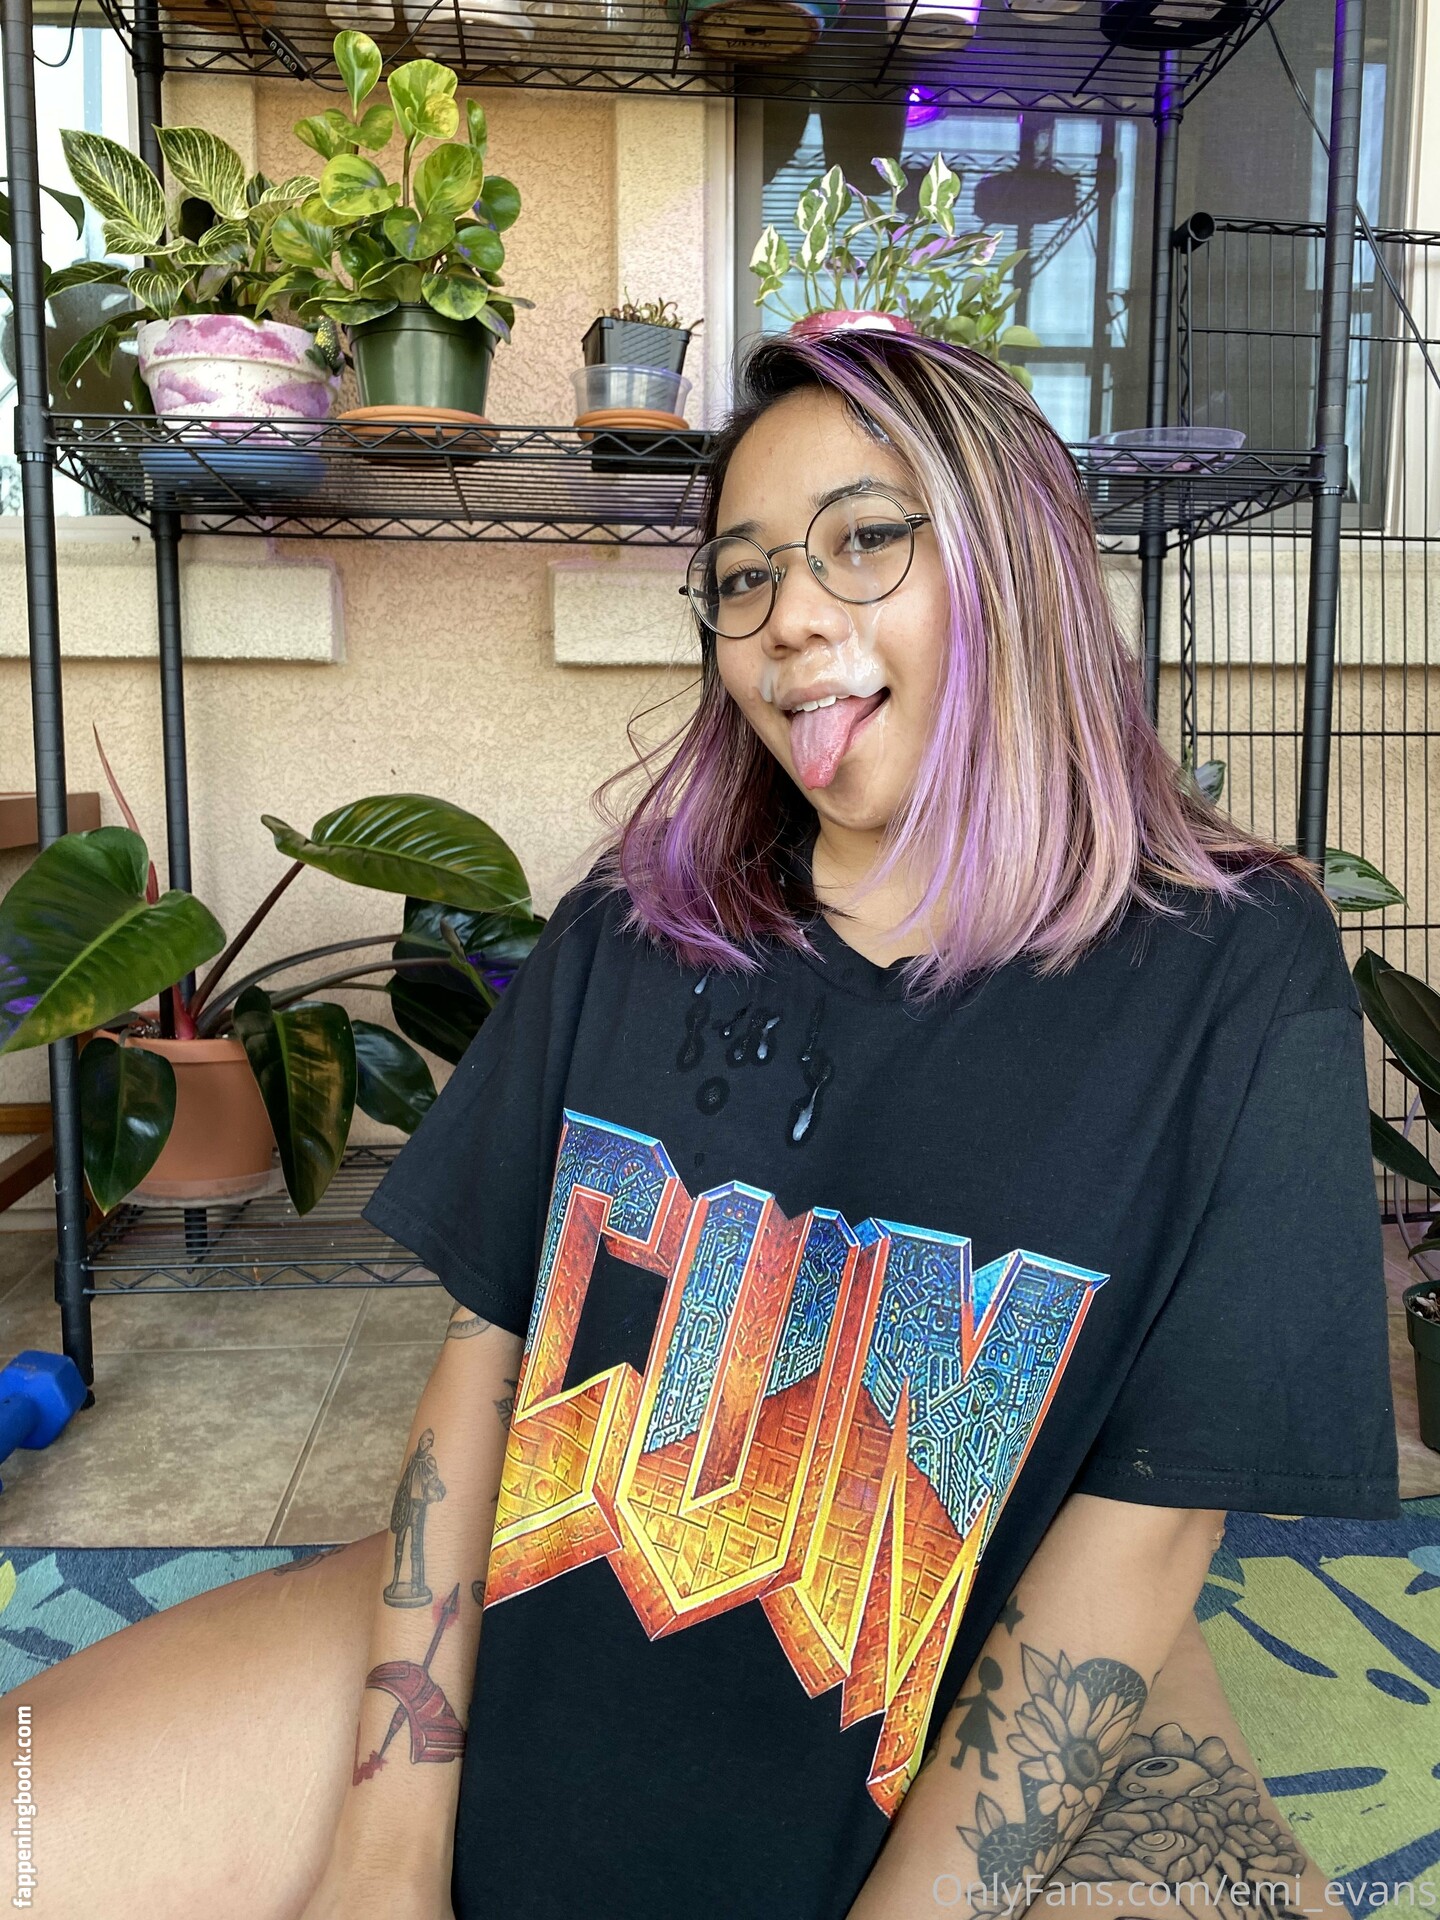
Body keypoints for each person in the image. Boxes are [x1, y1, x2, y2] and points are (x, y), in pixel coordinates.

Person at [5, 330, 1399, 1920]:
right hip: (536, 1630)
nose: (790, 616)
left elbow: (1148, 1523)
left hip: (962, 1706)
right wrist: (383, 1854)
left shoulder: (1234, 966)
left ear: (1017, 562)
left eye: (865, 540)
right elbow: (484, 1361)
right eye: (744, 576)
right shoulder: (634, 928)